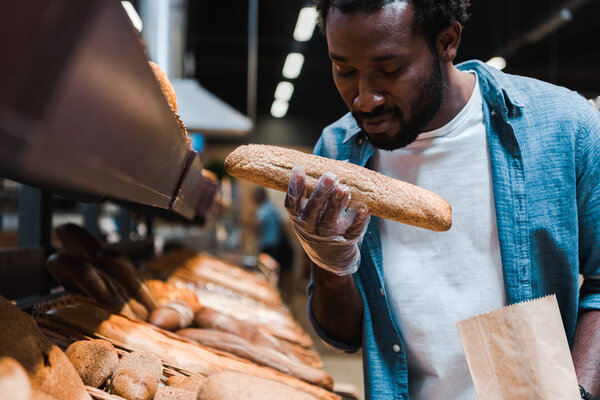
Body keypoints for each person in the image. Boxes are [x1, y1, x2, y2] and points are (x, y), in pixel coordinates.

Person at [282, 1, 600, 399]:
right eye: (344, 69)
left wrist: (579, 393)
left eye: (390, 69)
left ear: (447, 41)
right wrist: (331, 264)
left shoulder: (564, 127)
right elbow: (344, 336)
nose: (364, 99)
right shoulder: (336, 152)